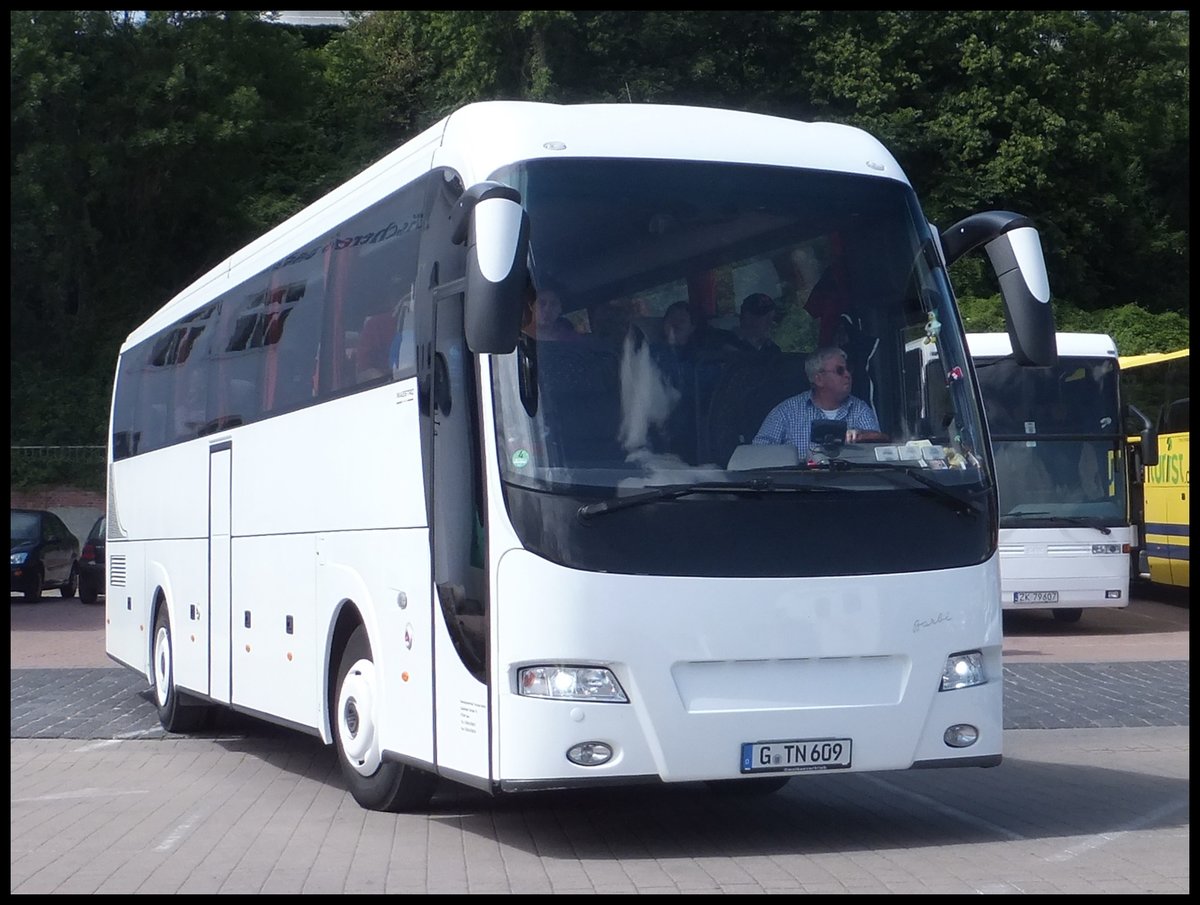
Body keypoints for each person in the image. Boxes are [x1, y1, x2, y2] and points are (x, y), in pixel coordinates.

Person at [753, 346, 886, 459]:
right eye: (840, 370)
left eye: (848, 369)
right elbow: (756, 455)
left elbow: (880, 448)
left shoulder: (860, 409)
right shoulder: (785, 412)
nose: (848, 375)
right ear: (818, 379)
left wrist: (861, 435)